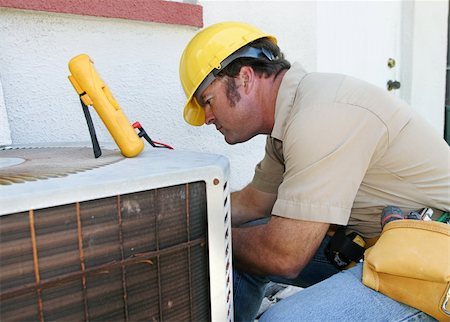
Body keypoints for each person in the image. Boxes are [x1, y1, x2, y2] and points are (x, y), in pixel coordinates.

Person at [179, 22, 450, 321]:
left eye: (208, 101)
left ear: (244, 79)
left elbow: (284, 255)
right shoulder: (287, 121)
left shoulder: (321, 114)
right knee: (243, 251)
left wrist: (198, 236)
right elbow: (254, 202)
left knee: (281, 319)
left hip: (433, 259)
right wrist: (187, 213)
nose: (207, 118)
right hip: (386, 247)